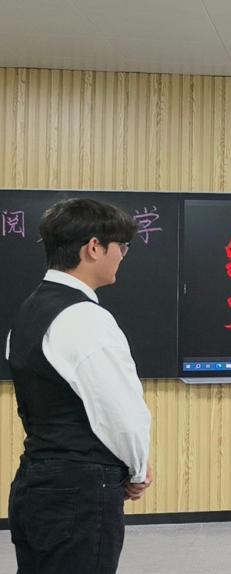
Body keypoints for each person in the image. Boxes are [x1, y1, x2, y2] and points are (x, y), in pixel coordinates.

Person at [4, 198, 154, 574]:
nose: (122, 256)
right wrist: (137, 471)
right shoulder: (86, 318)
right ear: (94, 247)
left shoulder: (28, 311)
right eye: (121, 246)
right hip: (79, 492)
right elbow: (121, 414)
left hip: (35, 482)